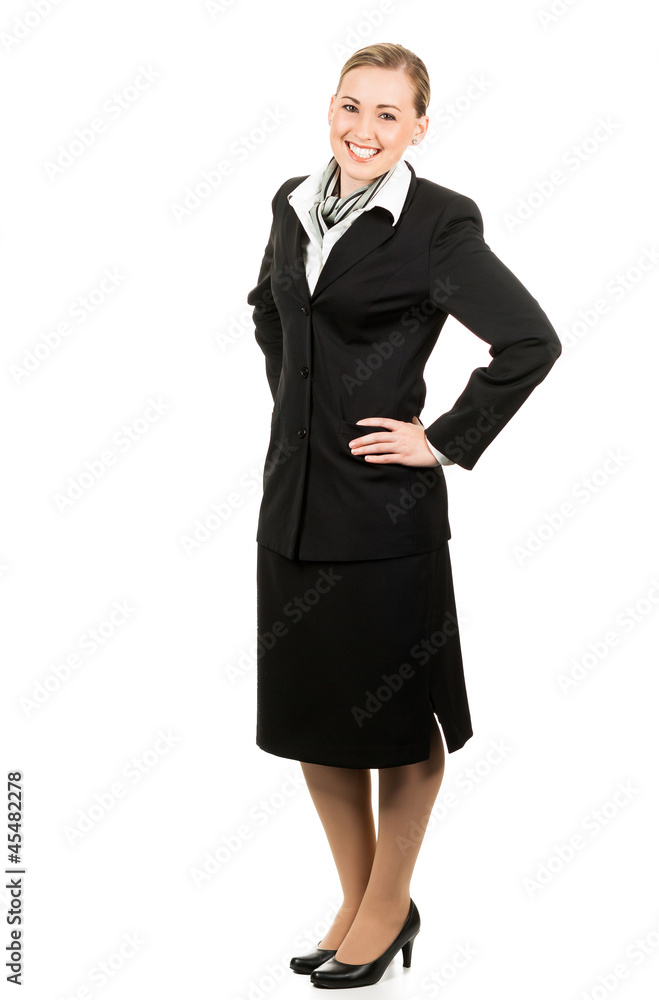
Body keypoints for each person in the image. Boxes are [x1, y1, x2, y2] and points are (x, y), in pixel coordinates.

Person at [247, 42, 562, 989]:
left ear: (418, 127)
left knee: (396, 714)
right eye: (351, 106)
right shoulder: (291, 203)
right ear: (329, 108)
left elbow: (528, 340)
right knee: (313, 715)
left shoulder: (437, 224)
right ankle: (361, 899)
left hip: (385, 522)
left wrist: (443, 439)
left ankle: (388, 904)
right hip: (292, 507)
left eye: (388, 114)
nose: (363, 129)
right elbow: (269, 310)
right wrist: (304, 411)